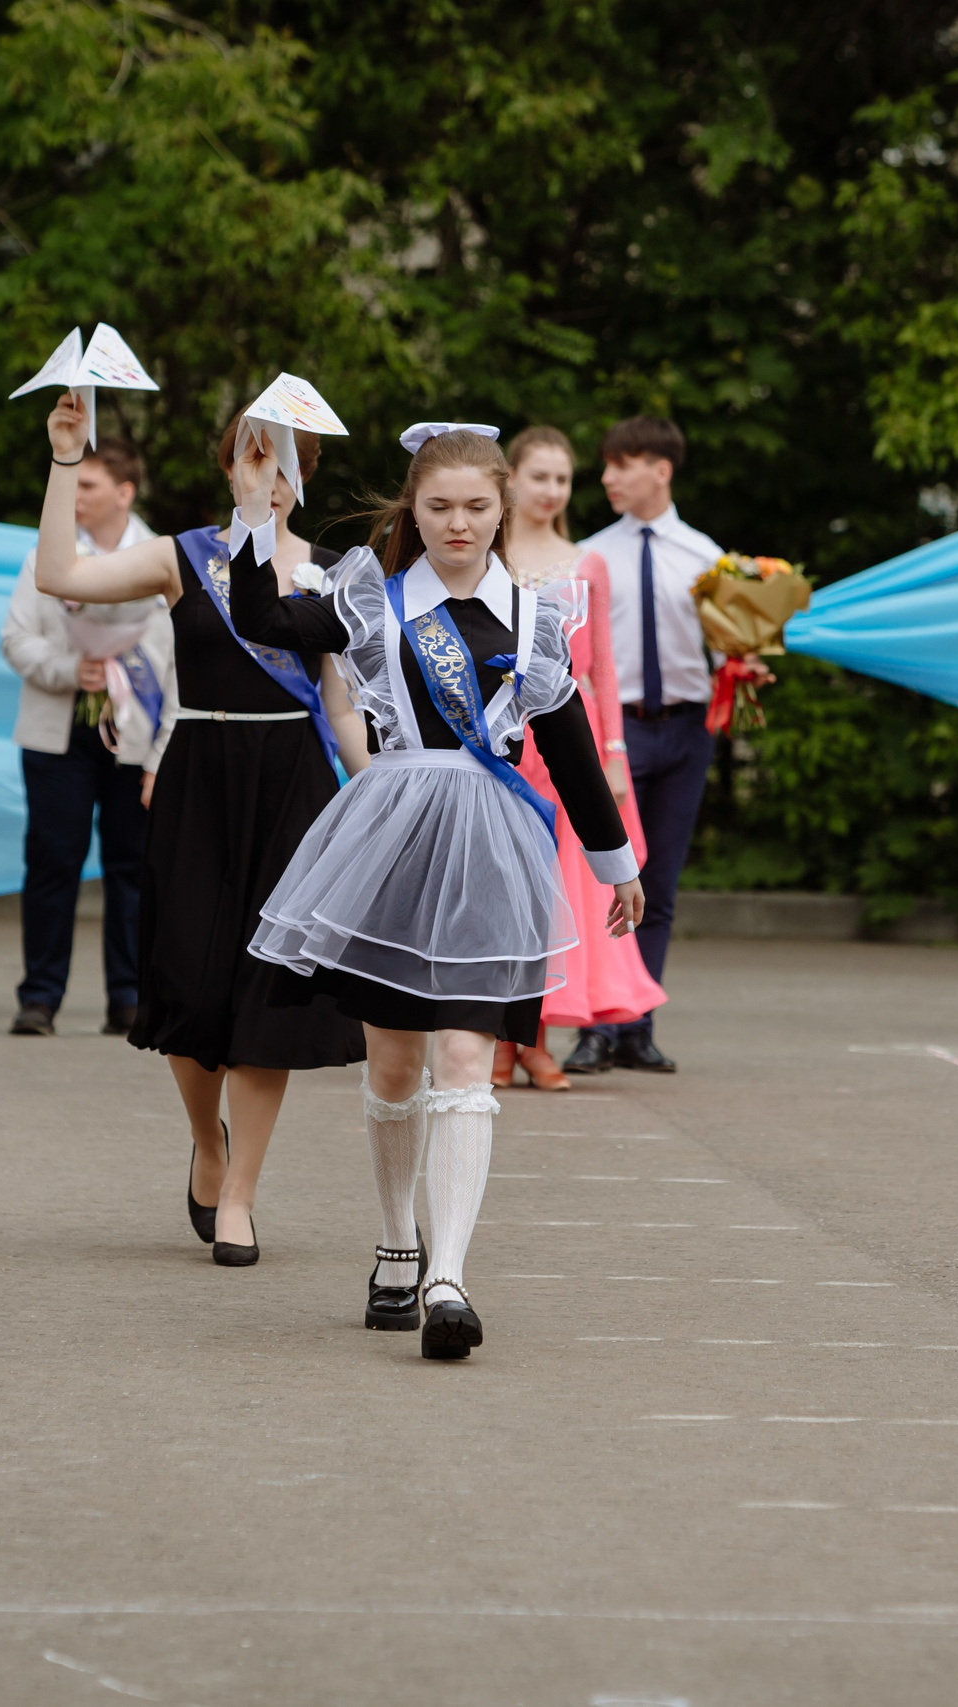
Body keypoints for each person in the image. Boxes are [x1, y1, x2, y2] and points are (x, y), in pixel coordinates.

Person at [238, 423, 643, 1361]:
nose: (457, 523)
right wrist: (259, 508)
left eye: (475, 506)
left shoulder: (537, 614)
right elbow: (262, 618)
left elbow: (571, 747)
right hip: (391, 836)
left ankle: (452, 1277)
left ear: (503, 509)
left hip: (492, 844)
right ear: (411, 511)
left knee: (468, 1053)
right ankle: (397, 1240)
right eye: (438, 507)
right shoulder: (372, 599)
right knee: (393, 1068)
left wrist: (615, 862)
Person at [31, 392, 369, 1266]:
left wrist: (378, 799)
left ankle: (243, 1193)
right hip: (197, 772)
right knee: (186, 983)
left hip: (290, 782)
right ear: (229, 465)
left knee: (272, 992)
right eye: (254, 455)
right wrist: (68, 459)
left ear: (307, 475)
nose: (270, 473)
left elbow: (341, 707)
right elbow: (58, 576)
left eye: (288, 460)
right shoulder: (183, 556)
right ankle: (206, 1142)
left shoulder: (333, 570)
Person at [560, 417, 728, 1076]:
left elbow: (730, 645)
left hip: (688, 728)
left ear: (661, 468)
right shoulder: (588, 556)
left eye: (622, 463)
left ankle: (637, 1024)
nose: (606, 477)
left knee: (658, 885)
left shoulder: (707, 556)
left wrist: (748, 666)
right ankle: (595, 1027)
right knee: (608, 875)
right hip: (614, 731)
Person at [501, 426, 662, 1091]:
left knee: (558, 892)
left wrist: (615, 755)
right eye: (538, 475)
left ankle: (534, 1039)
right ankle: (494, 1039)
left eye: (561, 479)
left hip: (574, 736)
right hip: (505, 736)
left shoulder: (586, 562)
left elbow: (603, 666)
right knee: (506, 886)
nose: (550, 490)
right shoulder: (485, 552)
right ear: (509, 478)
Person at [0, 436, 172, 1038]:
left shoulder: (162, 558)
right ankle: (40, 996)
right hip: (60, 725)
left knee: (133, 865)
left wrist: (162, 748)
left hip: (135, 730)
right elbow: (16, 639)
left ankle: (128, 996)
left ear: (124, 492)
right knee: (52, 859)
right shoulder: (46, 554)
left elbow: (178, 666)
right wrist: (75, 669)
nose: (76, 496)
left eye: (88, 484)